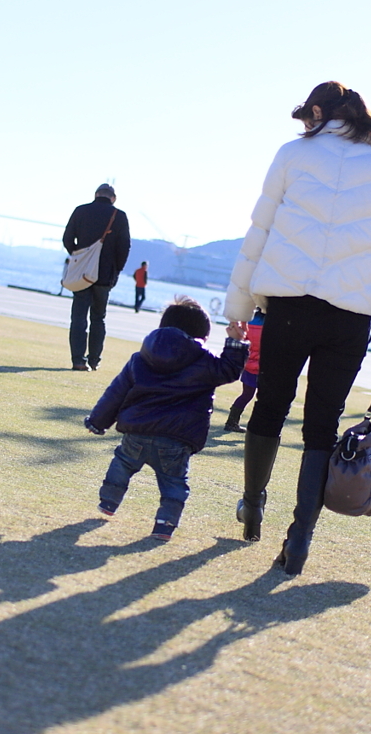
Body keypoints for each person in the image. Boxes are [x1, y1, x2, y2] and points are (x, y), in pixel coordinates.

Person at [224, 81, 371, 575]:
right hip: (348, 317)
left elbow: (259, 233)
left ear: (317, 111)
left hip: (289, 305)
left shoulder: (292, 155)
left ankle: (253, 505)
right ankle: (302, 535)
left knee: (270, 404)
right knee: (321, 426)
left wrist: (240, 305)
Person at [84, 296, 248, 539]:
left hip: (137, 431)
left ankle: (109, 501)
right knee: (173, 482)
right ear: (202, 333)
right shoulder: (204, 360)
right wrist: (236, 342)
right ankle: (165, 523)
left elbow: (116, 392)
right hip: (177, 437)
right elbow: (229, 370)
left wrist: (97, 421)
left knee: (123, 463)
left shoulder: (140, 357)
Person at [62, 184, 131, 370]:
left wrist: (78, 255)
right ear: (113, 198)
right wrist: (116, 270)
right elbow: (124, 248)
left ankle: (77, 360)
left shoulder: (81, 211)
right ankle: (94, 360)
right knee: (98, 318)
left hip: (82, 274)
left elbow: (67, 238)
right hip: (104, 275)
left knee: (78, 317)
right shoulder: (119, 216)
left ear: (95, 195)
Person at [224, 307, 265, 432]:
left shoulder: (248, 321)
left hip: (248, 364)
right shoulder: (272, 324)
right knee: (265, 399)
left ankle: (231, 421)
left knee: (246, 394)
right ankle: (258, 428)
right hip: (264, 367)